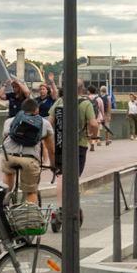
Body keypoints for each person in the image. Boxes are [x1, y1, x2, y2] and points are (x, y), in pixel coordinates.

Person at [51, 80, 96, 212]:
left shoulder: (60, 101)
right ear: (82, 90)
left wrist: (56, 135)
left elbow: (50, 121)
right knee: (75, 176)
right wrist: (92, 135)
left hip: (60, 144)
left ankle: (61, 207)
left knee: (61, 175)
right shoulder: (85, 103)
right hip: (79, 144)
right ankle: (73, 206)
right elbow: (93, 123)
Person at [1, 97, 53, 205]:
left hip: (9, 157)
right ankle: (30, 217)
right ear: (37, 111)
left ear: (22, 109)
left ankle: (3, 202)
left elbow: (5, 138)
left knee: (9, 172)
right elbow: (50, 149)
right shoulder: (44, 123)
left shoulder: (9, 121)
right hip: (29, 160)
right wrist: (53, 164)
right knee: (31, 192)